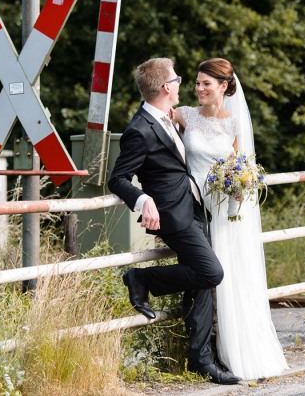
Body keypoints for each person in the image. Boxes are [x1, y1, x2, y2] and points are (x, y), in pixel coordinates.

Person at [108, 57, 241, 385]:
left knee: (202, 280)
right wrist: (143, 199)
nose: (185, 84)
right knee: (212, 272)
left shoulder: (169, 118)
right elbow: (118, 178)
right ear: (167, 87)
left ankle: (200, 359)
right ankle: (141, 280)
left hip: (195, 206)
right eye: (179, 79)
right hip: (172, 216)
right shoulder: (139, 129)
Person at [171, 57, 289, 380]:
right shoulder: (186, 116)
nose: (199, 89)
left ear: (223, 87)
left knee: (228, 279)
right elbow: (158, 117)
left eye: (206, 84)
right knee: (205, 277)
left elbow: (241, 169)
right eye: (196, 83)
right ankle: (202, 352)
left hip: (224, 213)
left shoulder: (234, 124)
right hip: (195, 207)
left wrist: (239, 187)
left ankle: (230, 350)